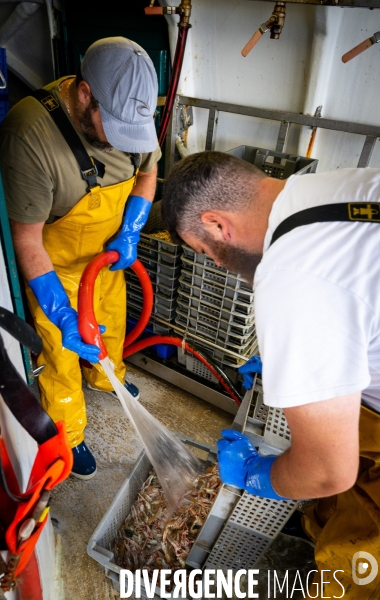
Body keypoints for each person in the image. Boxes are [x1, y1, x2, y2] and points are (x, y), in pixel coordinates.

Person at [161, 151, 380, 598]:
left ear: (218, 223)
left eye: (206, 250)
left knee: (354, 569)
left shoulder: (291, 276)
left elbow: (328, 472)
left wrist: (257, 475)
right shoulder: (335, 186)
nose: (217, 264)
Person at [0, 37, 161, 479]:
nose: (125, 142)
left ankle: (106, 376)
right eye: (115, 128)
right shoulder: (29, 135)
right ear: (84, 93)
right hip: (55, 270)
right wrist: (61, 312)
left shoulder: (133, 113)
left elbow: (148, 172)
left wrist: (131, 231)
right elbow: (26, 240)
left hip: (108, 258)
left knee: (112, 321)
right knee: (59, 353)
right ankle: (68, 435)